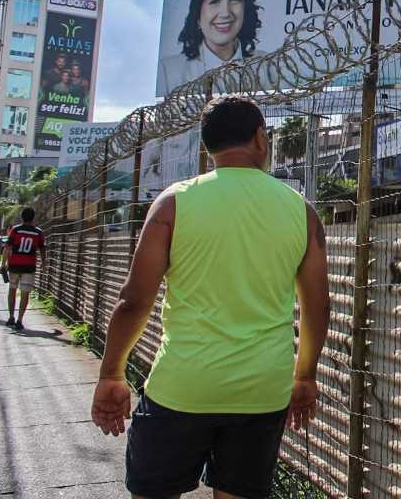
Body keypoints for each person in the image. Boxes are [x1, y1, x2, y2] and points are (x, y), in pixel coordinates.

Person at [90, 96, 330, 499]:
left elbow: (134, 300)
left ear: (207, 145)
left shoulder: (172, 204)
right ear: (260, 138)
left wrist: (112, 373)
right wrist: (304, 376)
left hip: (182, 387)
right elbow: (317, 305)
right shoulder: (301, 211)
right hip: (261, 391)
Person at [158, 0, 266, 93]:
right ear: (198, 10)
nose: (225, 12)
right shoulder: (168, 72)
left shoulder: (267, 66)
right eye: (215, 1)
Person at [3, 207, 45, 330]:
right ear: (33, 217)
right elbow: (42, 248)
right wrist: (44, 262)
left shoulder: (16, 230)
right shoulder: (38, 232)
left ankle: (11, 317)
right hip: (29, 266)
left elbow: (7, 247)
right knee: (25, 294)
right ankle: (20, 320)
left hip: (14, 265)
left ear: (22, 217)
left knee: (12, 290)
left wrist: (3, 264)